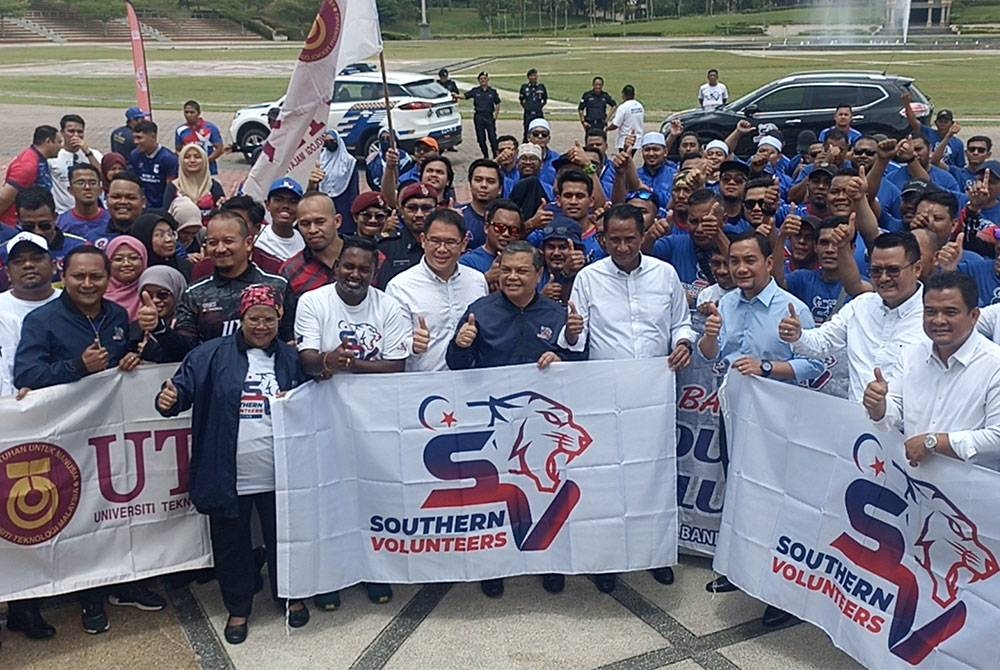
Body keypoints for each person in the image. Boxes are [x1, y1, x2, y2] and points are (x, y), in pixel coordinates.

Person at [13, 245, 165, 633]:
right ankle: (90, 598)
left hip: (113, 435)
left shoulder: (115, 314)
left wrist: (131, 357)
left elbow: (122, 359)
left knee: (121, 510)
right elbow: (27, 375)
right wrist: (77, 367)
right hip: (69, 441)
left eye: (96, 277)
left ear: (107, 277)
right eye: (79, 276)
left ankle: (127, 583)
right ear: (65, 273)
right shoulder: (42, 320)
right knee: (80, 516)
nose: (87, 283)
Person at [156, 284, 310, 644]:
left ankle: (290, 595)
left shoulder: (291, 359)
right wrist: (169, 399)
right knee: (231, 545)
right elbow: (180, 390)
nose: (261, 326)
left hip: (281, 473)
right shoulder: (209, 354)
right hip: (226, 473)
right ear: (241, 318)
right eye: (254, 318)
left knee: (285, 539)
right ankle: (238, 607)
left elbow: (312, 404)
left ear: (280, 318)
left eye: (269, 319)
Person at [696, 231, 824, 627]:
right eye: (734, 261)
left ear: (769, 263)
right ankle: (740, 570)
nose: (741, 269)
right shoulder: (725, 303)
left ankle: (782, 594)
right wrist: (711, 336)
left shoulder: (793, 308)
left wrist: (768, 368)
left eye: (750, 260)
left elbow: (816, 365)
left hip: (779, 421)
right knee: (738, 492)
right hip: (733, 413)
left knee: (778, 501)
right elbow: (710, 355)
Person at [567, 203, 696, 593]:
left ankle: (654, 555)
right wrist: (571, 331)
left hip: (654, 393)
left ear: (643, 237)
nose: (622, 247)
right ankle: (608, 560)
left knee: (653, 476)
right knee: (609, 478)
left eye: (630, 239)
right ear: (602, 238)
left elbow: (681, 323)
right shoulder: (588, 278)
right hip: (605, 395)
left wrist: (684, 343)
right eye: (614, 239)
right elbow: (576, 338)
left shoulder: (665, 274)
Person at [294, 236, 411, 610]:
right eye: (348, 266)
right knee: (329, 500)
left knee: (373, 499)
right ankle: (329, 577)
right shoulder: (313, 302)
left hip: (375, 423)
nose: (355, 274)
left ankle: (374, 573)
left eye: (364, 269)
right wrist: (326, 362)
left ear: (375, 273)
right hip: (325, 420)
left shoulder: (390, 306)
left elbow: (396, 367)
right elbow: (308, 361)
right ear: (336, 268)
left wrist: (340, 364)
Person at [864, 272, 1000, 472]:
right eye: (930, 312)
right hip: (913, 483)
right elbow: (894, 411)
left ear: (974, 316)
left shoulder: (994, 364)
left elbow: (997, 437)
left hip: (972, 493)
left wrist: (935, 443)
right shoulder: (911, 355)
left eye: (950, 312)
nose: (938, 320)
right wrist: (879, 406)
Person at [780, 231, 926, 402]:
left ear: (917, 269)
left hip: (907, 425)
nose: (884, 278)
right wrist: (798, 335)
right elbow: (822, 343)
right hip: (855, 421)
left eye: (893, 270)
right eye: (876, 271)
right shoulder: (861, 306)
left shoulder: (933, 318)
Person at [446, 239, 584, 372]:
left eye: (521, 271)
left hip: (542, 393)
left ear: (539, 274)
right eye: (506, 270)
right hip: (493, 394)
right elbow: (456, 366)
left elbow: (580, 362)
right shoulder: (479, 313)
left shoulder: (557, 314)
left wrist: (560, 359)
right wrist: (460, 346)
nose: (512, 277)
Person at [169, 210, 295, 352]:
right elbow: (185, 348)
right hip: (213, 370)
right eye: (213, 243)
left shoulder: (278, 286)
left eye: (228, 241)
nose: (220, 249)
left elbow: (289, 340)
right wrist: (159, 328)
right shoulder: (193, 294)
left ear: (248, 243)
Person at [387, 208, 487, 373]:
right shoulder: (400, 287)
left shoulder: (477, 281)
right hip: (423, 387)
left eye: (450, 242)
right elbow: (392, 343)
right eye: (435, 241)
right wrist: (413, 344)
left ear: (463, 244)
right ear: (423, 240)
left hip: (470, 384)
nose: (442, 249)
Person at [0, 232, 61, 396]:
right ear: (7, 273)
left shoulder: (72, 304)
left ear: (54, 266)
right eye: (18, 261)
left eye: (36, 258)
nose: (28, 265)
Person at [10, 186, 86, 280]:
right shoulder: (4, 252)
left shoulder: (81, 248)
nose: (37, 232)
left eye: (44, 225)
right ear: (18, 221)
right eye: (29, 227)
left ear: (55, 218)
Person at [279, 192, 343, 297]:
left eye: (320, 222)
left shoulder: (366, 258)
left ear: (337, 221)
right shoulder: (291, 271)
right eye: (305, 224)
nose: (312, 230)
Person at [376, 182, 439, 288]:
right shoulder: (386, 246)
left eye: (426, 208)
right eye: (412, 208)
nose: (419, 214)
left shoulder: (445, 244)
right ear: (401, 211)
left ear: (436, 210)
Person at [0, 125, 61, 228]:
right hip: (15, 226)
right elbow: (4, 199)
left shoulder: (38, 159)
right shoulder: (28, 165)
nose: (61, 147)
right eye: (59, 142)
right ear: (48, 142)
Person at [130, 265, 188, 364]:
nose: (155, 300)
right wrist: (130, 359)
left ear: (177, 292)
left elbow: (185, 352)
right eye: (148, 295)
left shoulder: (188, 324)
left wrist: (159, 329)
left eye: (163, 295)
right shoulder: (137, 327)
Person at [49, 114, 104, 214]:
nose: (76, 135)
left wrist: (87, 153)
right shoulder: (54, 156)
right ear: (62, 133)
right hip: (63, 212)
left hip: (91, 211)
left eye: (80, 132)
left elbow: (103, 178)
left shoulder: (94, 154)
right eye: (71, 131)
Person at [460, 198, 522, 277]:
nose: (506, 234)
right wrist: (486, 279)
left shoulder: (524, 262)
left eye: (513, 230)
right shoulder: (468, 262)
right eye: (499, 227)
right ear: (486, 227)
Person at [163, 144, 226, 218]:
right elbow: (166, 214)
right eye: (187, 157)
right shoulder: (174, 187)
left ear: (204, 160)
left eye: (197, 157)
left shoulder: (214, 186)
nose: (192, 160)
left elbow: (223, 215)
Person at [87, 172, 147, 250]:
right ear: (107, 199)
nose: (123, 202)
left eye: (131, 197)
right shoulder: (93, 238)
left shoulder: (153, 237)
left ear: (143, 202)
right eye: (116, 197)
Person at [315, 129, 360, 231]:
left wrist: (354, 208)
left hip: (344, 201)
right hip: (325, 202)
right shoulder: (321, 160)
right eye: (326, 142)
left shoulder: (349, 161)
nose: (329, 144)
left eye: (332, 141)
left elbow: (354, 188)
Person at [128, 120, 179, 209]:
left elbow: (170, 189)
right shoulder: (135, 155)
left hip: (162, 207)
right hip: (142, 207)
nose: (136, 142)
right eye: (134, 138)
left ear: (153, 137)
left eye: (139, 138)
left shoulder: (168, 159)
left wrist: (164, 210)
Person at [132, 210, 193, 279]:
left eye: (170, 233)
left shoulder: (186, 267)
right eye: (160, 235)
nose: (168, 239)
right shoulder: (134, 271)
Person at [255, 178, 305, 262]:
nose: (285, 205)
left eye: (293, 201)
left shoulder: (305, 241)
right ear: (267, 205)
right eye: (278, 200)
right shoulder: (256, 237)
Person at [57, 163, 111, 238]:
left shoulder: (111, 220)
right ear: (70, 190)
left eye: (92, 183)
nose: (87, 187)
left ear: (100, 190)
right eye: (80, 183)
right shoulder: (60, 223)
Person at [459, 158, 504, 248]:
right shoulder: (458, 215)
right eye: (478, 180)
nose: (483, 185)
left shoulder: (507, 220)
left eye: (490, 181)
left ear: (500, 189)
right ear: (470, 185)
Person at [174, 100, 226, 175]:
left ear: (198, 113)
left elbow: (219, 148)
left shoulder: (210, 128)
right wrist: (187, 161)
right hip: (188, 172)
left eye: (192, 112)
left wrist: (206, 161)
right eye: (186, 112)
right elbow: (178, 150)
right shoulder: (180, 130)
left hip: (209, 171)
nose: (189, 115)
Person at [104, 235, 148, 321]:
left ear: (143, 260)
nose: (126, 264)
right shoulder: (97, 294)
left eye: (133, 258)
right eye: (118, 259)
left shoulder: (151, 293)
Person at [465, 72, 501, 159]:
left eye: (485, 78)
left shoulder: (492, 92)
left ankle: (495, 156)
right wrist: (454, 96)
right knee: (481, 139)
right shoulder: (475, 91)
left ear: (488, 80)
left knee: (493, 138)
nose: (483, 80)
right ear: (478, 80)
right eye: (481, 79)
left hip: (489, 117)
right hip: (479, 117)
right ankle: (486, 155)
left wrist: (495, 115)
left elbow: (498, 103)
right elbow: (464, 96)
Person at [606, 85, 645, 151]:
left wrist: (606, 129)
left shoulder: (623, 107)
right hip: (637, 139)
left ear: (623, 94)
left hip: (625, 140)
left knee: (623, 158)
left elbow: (616, 124)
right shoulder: (639, 106)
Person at [518, 68, 548, 141]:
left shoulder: (541, 87)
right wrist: (527, 107)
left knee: (540, 130)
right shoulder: (525, 87)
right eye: (532, 76)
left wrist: (539, 106)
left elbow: (545, 99)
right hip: (528, 113)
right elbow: (521, 99)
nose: (534, 77)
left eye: (535, 76)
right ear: (528, 77)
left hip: (538, 113)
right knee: (527, 131)